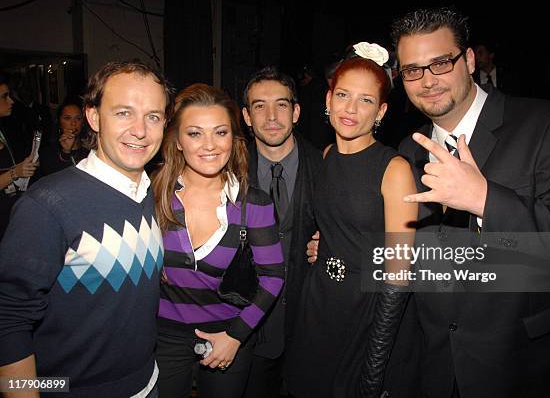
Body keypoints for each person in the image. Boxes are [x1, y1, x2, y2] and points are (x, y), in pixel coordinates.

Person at [393, 7, 550, 398]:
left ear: (469, 60)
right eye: (412, 70)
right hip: (440, 371)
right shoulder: (407, 151)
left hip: (533, 369)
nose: (428, 81)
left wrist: (485, 199)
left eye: (440, 63)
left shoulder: (548, 124)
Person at [0, 60, 173, 397]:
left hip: (148, 384)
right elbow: (8, 318)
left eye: (153, 116)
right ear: (93, 117)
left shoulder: (149, 192)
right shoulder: (47, 204)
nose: (140, 130)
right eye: (123, 112)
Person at [287, 42, 418, 398]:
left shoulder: (394, 169)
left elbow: (399, 273)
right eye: (343, 94)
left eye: (366, 100)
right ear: (328, 100)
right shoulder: (325, 155)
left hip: (367, 309)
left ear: (381, 111)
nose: (351, 108)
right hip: (319, 302)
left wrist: (375, 365)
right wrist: (322, 245)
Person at [152, 83, 285, 398]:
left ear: (233, 138)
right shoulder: (153, 195)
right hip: (163, 336)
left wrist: (236, 336)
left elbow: (273, 277)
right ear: (178, 141)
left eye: (221, 132)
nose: (209, 145)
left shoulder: (255, 204)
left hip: (228, 333)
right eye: (195, 133)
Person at [240, 67, 322, 397]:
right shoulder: (227, 171)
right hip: (248, 330)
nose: (271, 116)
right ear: (246, 116)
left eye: (282, 105)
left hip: (310, 329)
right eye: (259, 106)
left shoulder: (326, 167)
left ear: (297, 111)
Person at [0, 72, 39, 240]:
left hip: (12, 210)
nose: (11, 101)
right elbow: (13, 171)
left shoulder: (6, 127)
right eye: (4, 96)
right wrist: (16, 173)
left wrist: (28, 164)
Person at [38, 97, 89, 176]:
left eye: (78, 118)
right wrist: (66, 152)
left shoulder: (90, 151)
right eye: (67, 118)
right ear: (59, 122)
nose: (73, 123)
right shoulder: (47, 152)